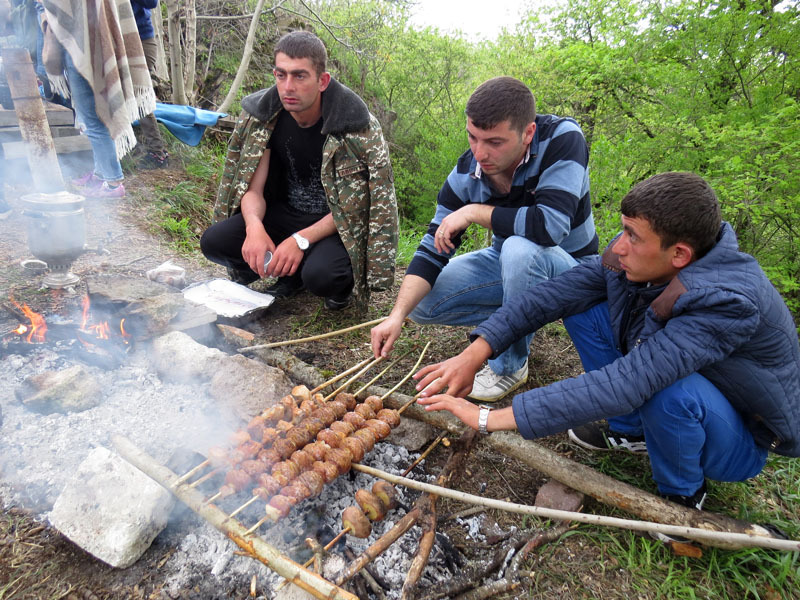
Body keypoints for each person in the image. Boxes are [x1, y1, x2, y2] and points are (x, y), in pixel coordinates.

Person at [414, 172, 800, 519]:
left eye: (633, 236)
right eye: (623, 230)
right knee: (582, 308)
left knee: (668, 388)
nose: (620, 245)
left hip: (741, 438)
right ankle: (633, 431)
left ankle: (683, 500)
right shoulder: (639, 261)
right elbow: (550, 296)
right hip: (694, 382)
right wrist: (474, 353)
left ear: (679, 254)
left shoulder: (726, 301)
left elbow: (632, 379)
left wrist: (489, 419)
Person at [371, 76, 597, 402]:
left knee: (521, 251)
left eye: (494, 142)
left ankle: (508, 366)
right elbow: (432, 248)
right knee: (420, 303)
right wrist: (396, 315)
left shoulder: (563, 139)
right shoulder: (466, 172)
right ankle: (510, 320)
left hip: (572, 268)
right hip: (508, 261)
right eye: (472, 138)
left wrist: (475, 212)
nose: (480, 153)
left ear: (527, 133)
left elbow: (550, 227)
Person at [201, 31, 397, 312]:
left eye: (299, 76)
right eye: (281, 75)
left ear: (322, 81)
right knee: (214, 241)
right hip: (284, 213)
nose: (287, 87)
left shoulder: (356, 127)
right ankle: (284, 271)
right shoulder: (264, 117)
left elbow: (357, 208)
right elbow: (253, 189)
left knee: (323, 276)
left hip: (336, 224)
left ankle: (328, 282)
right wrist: (255, 228)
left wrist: (301, 240)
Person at [40, 0, 156, 198]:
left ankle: (112, 182)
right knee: (93, 116)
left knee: (92, 118)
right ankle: (101, 174)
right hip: (97, 44)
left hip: (84, 49)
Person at [130, 0, 168, 169]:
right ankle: (125, 146)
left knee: (140, 96)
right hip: (113, 42)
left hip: (140, 40)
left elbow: (151, 3)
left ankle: (157, 152)